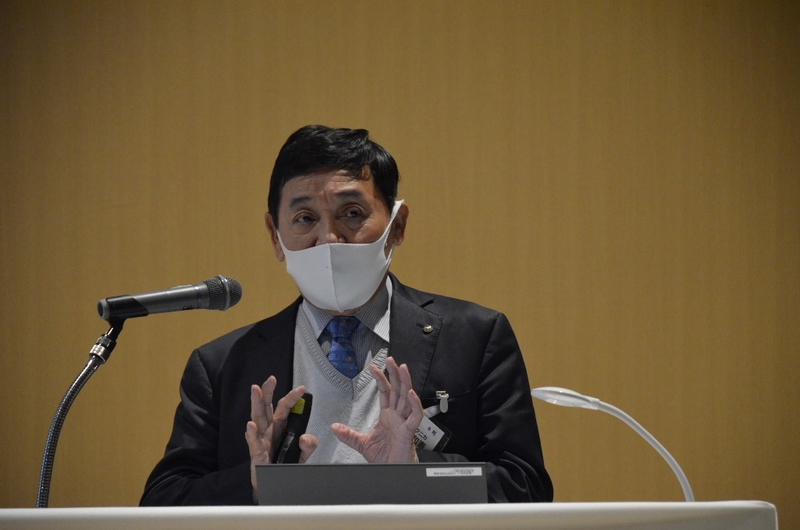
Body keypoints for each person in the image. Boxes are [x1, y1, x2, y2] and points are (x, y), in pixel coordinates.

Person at [140, 125, 553, 505]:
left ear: (397, 225)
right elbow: (163, 501)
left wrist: (413, 470)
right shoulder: (222, 365)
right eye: (305, 219)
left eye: (352, 213)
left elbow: (525, 486)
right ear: (275, 237)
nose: (329, 238)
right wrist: (253, 482)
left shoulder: (476, 337)